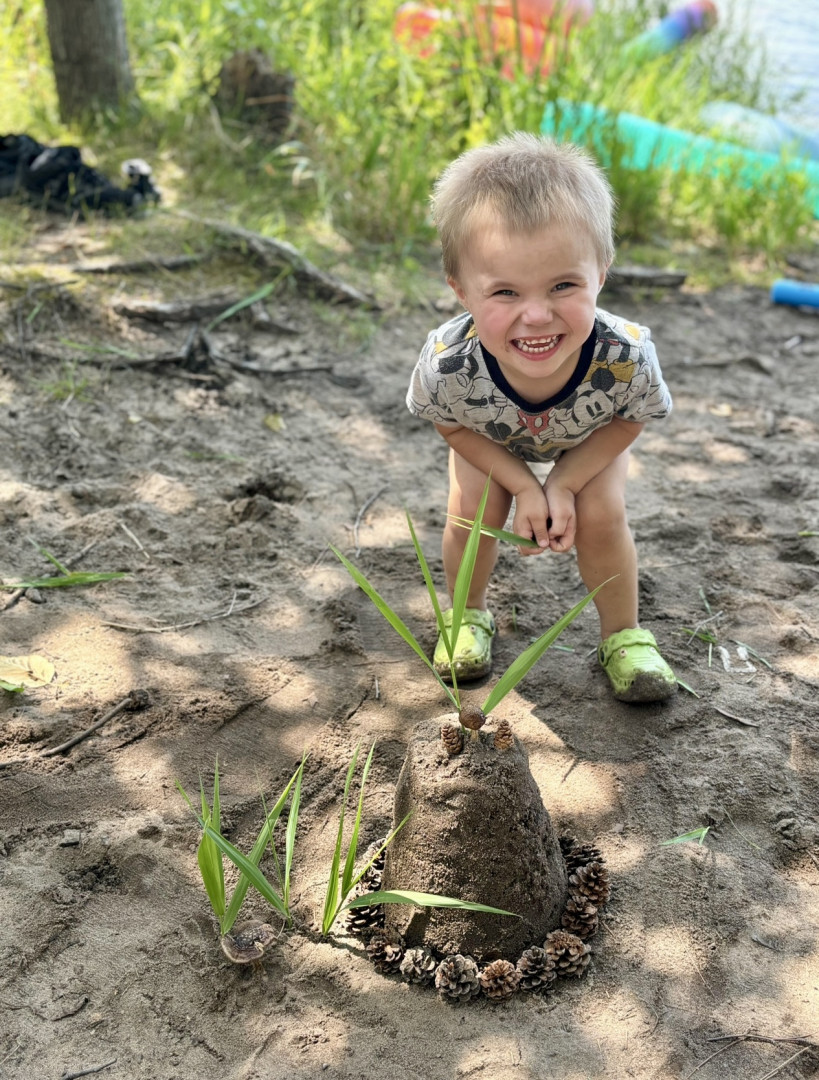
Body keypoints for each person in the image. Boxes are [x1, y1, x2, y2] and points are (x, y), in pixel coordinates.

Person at [406, 132, 677, 703]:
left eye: (563, 285)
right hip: (487, 437)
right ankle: (467, 615)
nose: (536, 314)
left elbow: (628, 421)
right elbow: (451, 425)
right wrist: (523, 486)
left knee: (602, 513)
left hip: (590, 437)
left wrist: (565, 483)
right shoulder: (449, 365)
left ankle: (623, 635)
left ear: (601, 273)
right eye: (504, 292)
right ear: (461, 290)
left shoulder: (626, 357)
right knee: (472, 511)